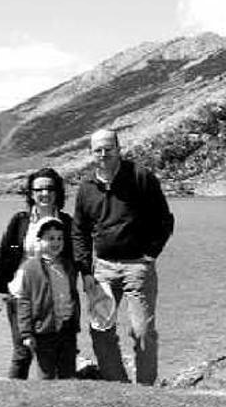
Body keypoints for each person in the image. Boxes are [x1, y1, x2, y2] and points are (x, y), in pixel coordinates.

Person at [72, 129, 174, 385]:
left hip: (137, 267)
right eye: (98, 150)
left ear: (119, 148)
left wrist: (150, 255)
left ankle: (145, 389)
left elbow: (164, 220)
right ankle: (119, 386)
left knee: (142, 331)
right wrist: (85, 271)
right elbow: (79, 231)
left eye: (109, 148)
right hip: (103, 269)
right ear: (91, 153)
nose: (103, 154)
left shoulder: (140, 177)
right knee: (101, 331)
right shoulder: (86, 188)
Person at [0, 167, 74, 379]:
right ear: (31, 193)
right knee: (22, 350)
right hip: (20, 294)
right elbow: (4, 254)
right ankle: (14, 399)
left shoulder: (67, 222)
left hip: (53, 298)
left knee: (56, 350)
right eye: (39, 189)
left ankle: (56, 394)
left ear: (58, 192)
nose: (45, 193)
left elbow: (75, 259)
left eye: (50, 188)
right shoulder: (20, 221)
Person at [15, 217, 81, 380]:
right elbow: (24, 301)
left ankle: (68, 402)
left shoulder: (67, 265)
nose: (56, 242)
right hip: (44, 330)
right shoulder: (30, 268)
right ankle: (45, 402)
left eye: (59, 238)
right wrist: (26, 333)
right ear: (39, 241)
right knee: (46, 376)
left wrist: (75, 320)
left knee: (68, 374)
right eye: (50, 238)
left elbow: (73, 295)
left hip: (67, 329)